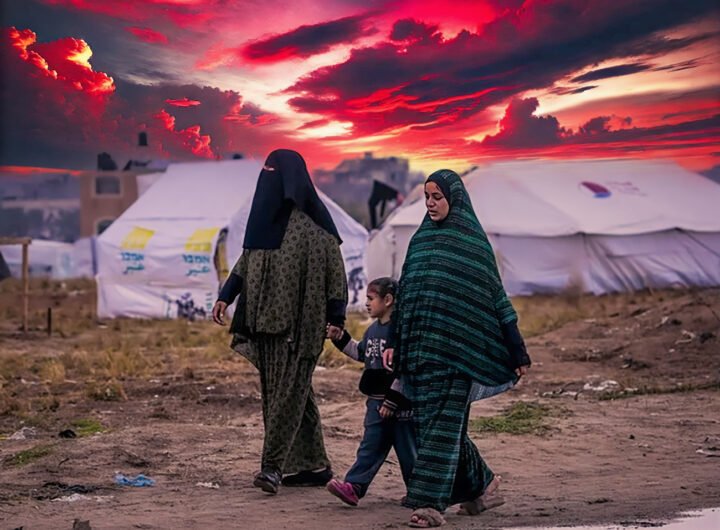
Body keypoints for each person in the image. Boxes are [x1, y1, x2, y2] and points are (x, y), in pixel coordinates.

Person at [382, 169, 531, 528]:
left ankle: (430, 505)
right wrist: (394, 345)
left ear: (455, 198)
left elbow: (497, 300)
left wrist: (518, 350)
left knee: (441, 427)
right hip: (420, 351)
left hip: (457, 354)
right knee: (438, 425)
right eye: (427, 197)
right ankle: (485, 486)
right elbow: (407, 299)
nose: (431, 204)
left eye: (438, 197)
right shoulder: (419, 242)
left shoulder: (472, 244)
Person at [212, 149, 348, 495]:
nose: (267, 176)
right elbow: (245, 263)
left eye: (273, 170)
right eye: (265, 169)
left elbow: (336, 274)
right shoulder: (263, 221)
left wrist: (336, 318)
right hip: (264, 324)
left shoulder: (316, 225)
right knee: (290, 394)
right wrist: (225, 296)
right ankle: (314, 467)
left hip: (300, 328)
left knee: (286, 396)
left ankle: (272, 467)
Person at [325, 277, 416, 507]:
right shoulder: (373, 330)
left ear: (388, 300)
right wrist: (340, 338)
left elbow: (403, 370)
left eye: (371, 298)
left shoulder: (399, 332)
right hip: (375, 404)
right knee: (370, 447)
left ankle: (419, 492)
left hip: (400, 406)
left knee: (409, 453)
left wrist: (392, 400)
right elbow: (360, 353)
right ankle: (354, 487)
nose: (366, 303)